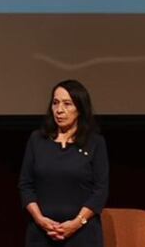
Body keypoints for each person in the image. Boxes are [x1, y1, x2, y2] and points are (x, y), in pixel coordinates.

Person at [18, 79, 108, 246]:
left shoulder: (95, 143)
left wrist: (75, 224)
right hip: (41, 233)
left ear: (80, 109)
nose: (59, 110)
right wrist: (40, 220)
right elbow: (25, 185)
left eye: (67, 104)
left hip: (83, 234)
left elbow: (100, 190)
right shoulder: (37, 140)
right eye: (55, 103)